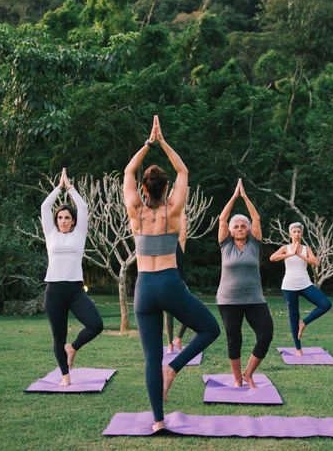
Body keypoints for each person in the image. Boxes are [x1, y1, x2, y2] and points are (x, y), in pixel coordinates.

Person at [125, 116, 220, 432]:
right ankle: (175, 368)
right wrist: (162, 141)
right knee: (209, 328)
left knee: (151, 357)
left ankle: (157, 421)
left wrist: (147, 144)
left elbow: (127, 171)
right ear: (166, 188)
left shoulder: (135, 212)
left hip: (143, 287)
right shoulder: (174, 209)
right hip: (168, 282)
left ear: (142, 188)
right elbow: (183, 170)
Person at [41, 168, 103, 386]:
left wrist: (70, 188)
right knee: (58, 337)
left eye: (67, 217)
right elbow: (45, 206)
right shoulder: (50, 234)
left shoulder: (79, 234)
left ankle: (73, 347)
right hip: (54, 291)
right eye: (60, 217)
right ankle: (65, 374)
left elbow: (83, 207)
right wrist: (58, 188)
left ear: (74, 221)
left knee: (96, 325)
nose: (63, 220)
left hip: (76, 291)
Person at [216, 178, 273, 389]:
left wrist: (245, 197)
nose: (240, 228)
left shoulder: (254, 244)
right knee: (234, 339)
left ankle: (249, 373)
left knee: (266, 334)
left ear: (248, 229)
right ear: (231, 230)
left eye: (243, 226)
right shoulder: (225, 244)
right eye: (236, 226)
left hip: (254, 298)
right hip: (228, 300)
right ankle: (237, 378)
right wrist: (233, 197)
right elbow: (222, 219)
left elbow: (256, 217)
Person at [270, 222, 331, 356]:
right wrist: (290, 254)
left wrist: (300, 255)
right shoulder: (285, 248)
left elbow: (316, 262)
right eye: (294, 231)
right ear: (290, 234)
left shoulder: (306, 248)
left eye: (299, 231)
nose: (297, 234)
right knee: (293, 317)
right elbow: (272, 258)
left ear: (301, 234)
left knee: (325, 304)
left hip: (305, 284)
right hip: (288, 286)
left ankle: (304, 322)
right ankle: (298, 349)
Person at [164, 215, 188, 352]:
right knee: (169, 315)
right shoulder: (161, 245)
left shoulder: (180, 243)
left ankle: (178, 338)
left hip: (180, 282)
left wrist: (182, 208)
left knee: (190, 311)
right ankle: (170, 344)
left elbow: (183, 225)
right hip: (167, 282)